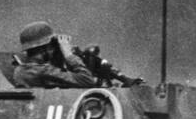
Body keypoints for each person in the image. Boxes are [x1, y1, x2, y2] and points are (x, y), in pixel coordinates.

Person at [8, 21, 143, 89]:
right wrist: (69, 56)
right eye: (52, 46)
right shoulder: (38, 70)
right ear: (45, 48)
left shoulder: (27, 68)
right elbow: (85, 80)